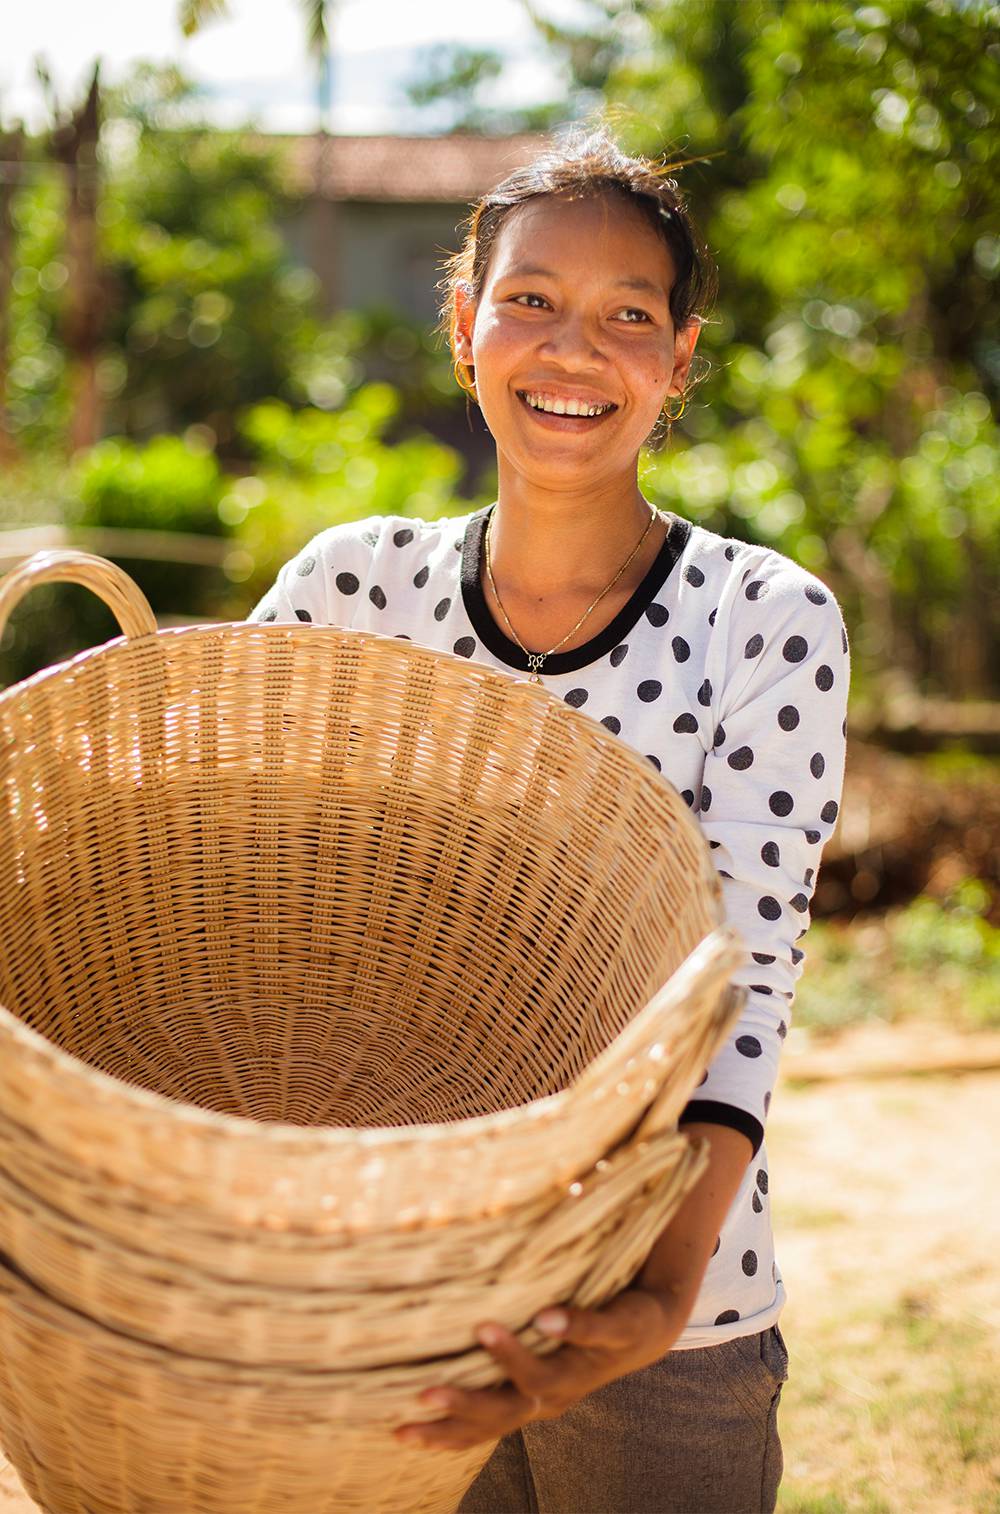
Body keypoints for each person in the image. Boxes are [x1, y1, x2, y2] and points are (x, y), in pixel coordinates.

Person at [247, 124, 850, 1514]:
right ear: (465, 327)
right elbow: (200, 862)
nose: (573, 349)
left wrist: (652, 1297)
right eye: (530, 301)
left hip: (663, 1315)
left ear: (679, 360)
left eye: (627, 316)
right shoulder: (353, 592)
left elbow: (744, 986)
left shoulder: (761, 623)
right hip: (385, 1309)